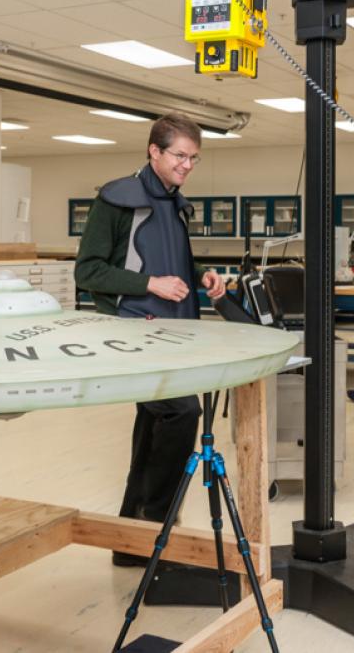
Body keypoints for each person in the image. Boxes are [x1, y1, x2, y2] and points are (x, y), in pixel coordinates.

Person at [74, 112, 226, 565]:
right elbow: (88, 270)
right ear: (153, 151)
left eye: (194, 158)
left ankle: (133, 538)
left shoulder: (175, 202)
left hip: (174, 330)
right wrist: (150, 286)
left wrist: (203, 277)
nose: (187, 166)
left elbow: (171, 265)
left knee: (152, 427)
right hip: (136, 332)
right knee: (182, 414)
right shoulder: (117, 200)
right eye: (179, 155)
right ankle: (158, 525)